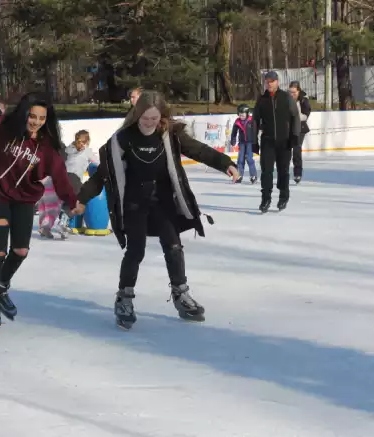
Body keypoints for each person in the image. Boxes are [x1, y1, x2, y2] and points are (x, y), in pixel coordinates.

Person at [74, 90, 240, 330]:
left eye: (154, 119)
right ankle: (124, 298)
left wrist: (226, 164)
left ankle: (181, 294)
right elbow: (102, 176)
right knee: (136, 250)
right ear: (137, 114)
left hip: (163, 201)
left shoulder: (169, 135)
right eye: (145, 118)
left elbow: (199, 151)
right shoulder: (122, 140)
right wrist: (81, 198)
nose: (150, 123)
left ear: (161, 117)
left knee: (174, 247)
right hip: (133, 203)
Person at [0, 90, 77, 333]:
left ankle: (1, 284)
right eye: (32, 116)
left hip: (24, 200)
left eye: (42, 118)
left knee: (21, 250)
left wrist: (71, 200)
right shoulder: (0, 127)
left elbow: (60, 175)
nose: (36, 122)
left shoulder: (46, 147)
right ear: (24, 113)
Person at [252, 71, 300, 213]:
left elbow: (295, 116)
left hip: (284, 141)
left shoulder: (286, 98)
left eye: (272, 81)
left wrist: (295, 136)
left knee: (283, 171)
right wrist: (254, 140)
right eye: (267, 81)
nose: (269, 83)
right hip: (268, 141)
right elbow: (255, 120)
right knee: (266, 172)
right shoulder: (261, 100)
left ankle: (283, 197)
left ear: (277, 82)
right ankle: (265, 199)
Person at [288, 81, 311, 184]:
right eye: (290, 92)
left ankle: (297, 173)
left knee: (296, 150)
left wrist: (295, 116)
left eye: (294, 92)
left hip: (300, 128)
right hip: (288, 128)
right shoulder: (286, 99)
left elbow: (306, 115)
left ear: (298, 91)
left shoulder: (304, 100)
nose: (292, 94)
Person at [230, 104, 257, 184]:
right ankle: (239, 175)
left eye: (243, 114)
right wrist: (233, 140)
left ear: (247, 113)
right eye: (240, 114)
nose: (241, 116)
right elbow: (234, 132)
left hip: (250, 142)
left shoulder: (251, 121)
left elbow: (256, 129)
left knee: (249, 159)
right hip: (242, 143)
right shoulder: (237, 122)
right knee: (240, 160)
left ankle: (253, 175)